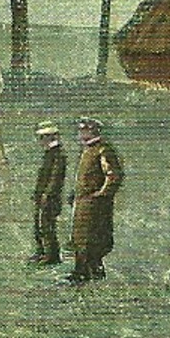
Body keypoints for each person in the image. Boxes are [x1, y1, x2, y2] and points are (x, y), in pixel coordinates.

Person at [68, 117, 123, 283]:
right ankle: (80, 271)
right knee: (80, 238)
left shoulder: (103, 150)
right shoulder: (88, 150)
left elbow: (114, 176)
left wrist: (101, 195)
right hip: (83, 203)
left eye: (83, 130)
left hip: (95, 206)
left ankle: (92, 272)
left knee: (93, 239)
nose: (80, 133)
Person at [29, 120, 67, 267]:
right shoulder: (50, 153)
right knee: (39, 224)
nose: (41, 140)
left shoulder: (58, 154)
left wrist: (47, 193)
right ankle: (42, 252)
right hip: (43, 195)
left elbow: (55, 178)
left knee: (47, 226)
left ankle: (51, 255)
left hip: (50, 197)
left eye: (44, 136)